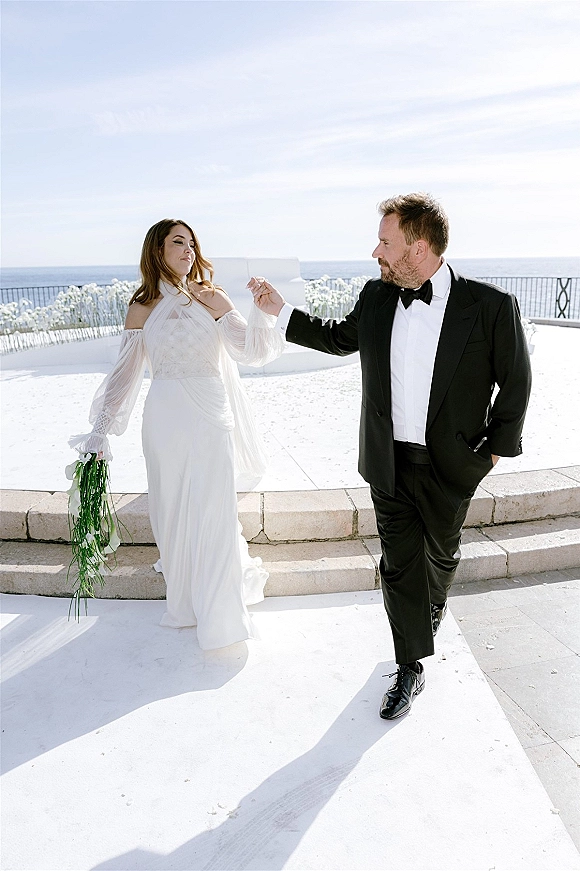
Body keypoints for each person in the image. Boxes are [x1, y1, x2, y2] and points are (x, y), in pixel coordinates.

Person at [249, 192, 532, 719]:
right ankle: (408, 667)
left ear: (418, 248)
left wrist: (494, 451)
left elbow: (515, 383)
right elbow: (337, 339)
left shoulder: (489, 306)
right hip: (388, 461)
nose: (375, 251)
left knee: (442, 555)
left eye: (385, 241)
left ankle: (433, 605)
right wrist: (279, 312)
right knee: (399, 565)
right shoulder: (378, 297)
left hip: (453, 463)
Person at [70, 219, 285, 649]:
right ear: (158, 250)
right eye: (178, 242)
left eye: (192, 243)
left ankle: (223, 616)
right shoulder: (142, 308)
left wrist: (263, 310)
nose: (188, 250)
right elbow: (124, 376)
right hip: (164, 418)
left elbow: (251, 350)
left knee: (215, 511)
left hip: (210, 413)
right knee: (170, 513)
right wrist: (99, 431)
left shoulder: (212, 297)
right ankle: (185, 602)